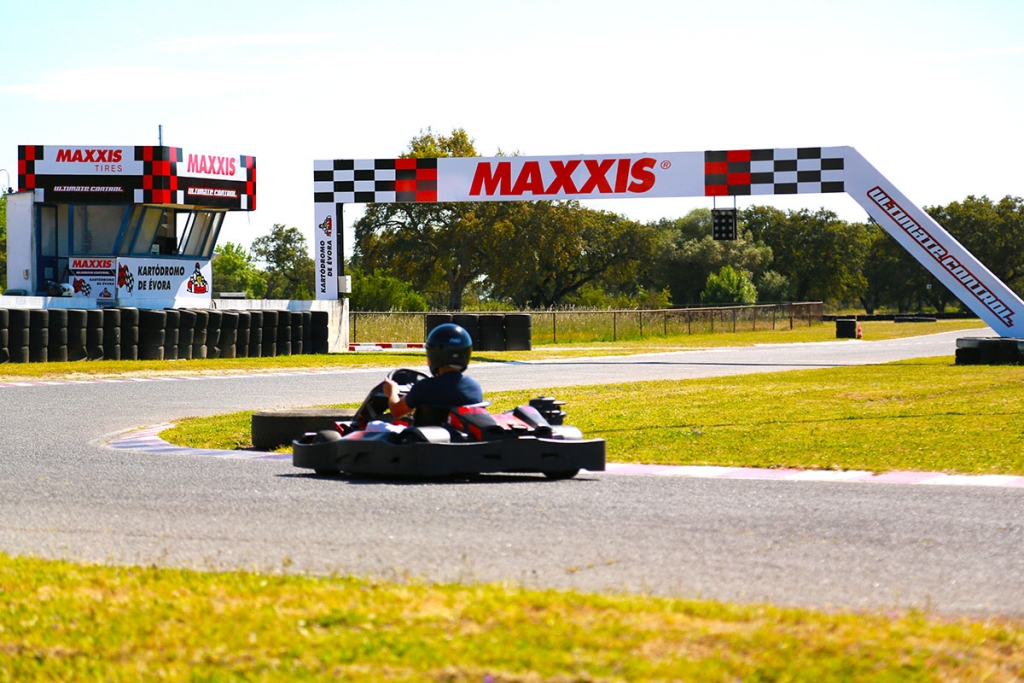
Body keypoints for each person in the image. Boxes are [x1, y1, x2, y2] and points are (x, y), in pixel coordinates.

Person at [383, 323, 483, 422]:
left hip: (426, 437)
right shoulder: (474, 388)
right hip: (463, 437)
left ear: (433, 355)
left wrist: (392, 391)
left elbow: (396, 411)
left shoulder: (425, 387)